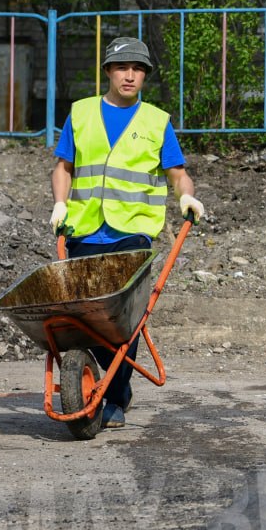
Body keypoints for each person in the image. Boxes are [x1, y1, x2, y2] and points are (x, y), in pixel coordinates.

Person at [50, 36, 204, 429]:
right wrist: (61, 203)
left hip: (132, 233)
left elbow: (178, 174)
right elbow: (64, 167)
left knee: (123, 318)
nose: (130, 75)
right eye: (122, 68)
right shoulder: (81, 114)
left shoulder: (156, 121)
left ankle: (116, 397)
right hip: (84, 230)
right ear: (108, 72)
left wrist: (186, 198)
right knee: (86, 318)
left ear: (145, 76)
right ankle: (102, 383)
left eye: (138, 69)